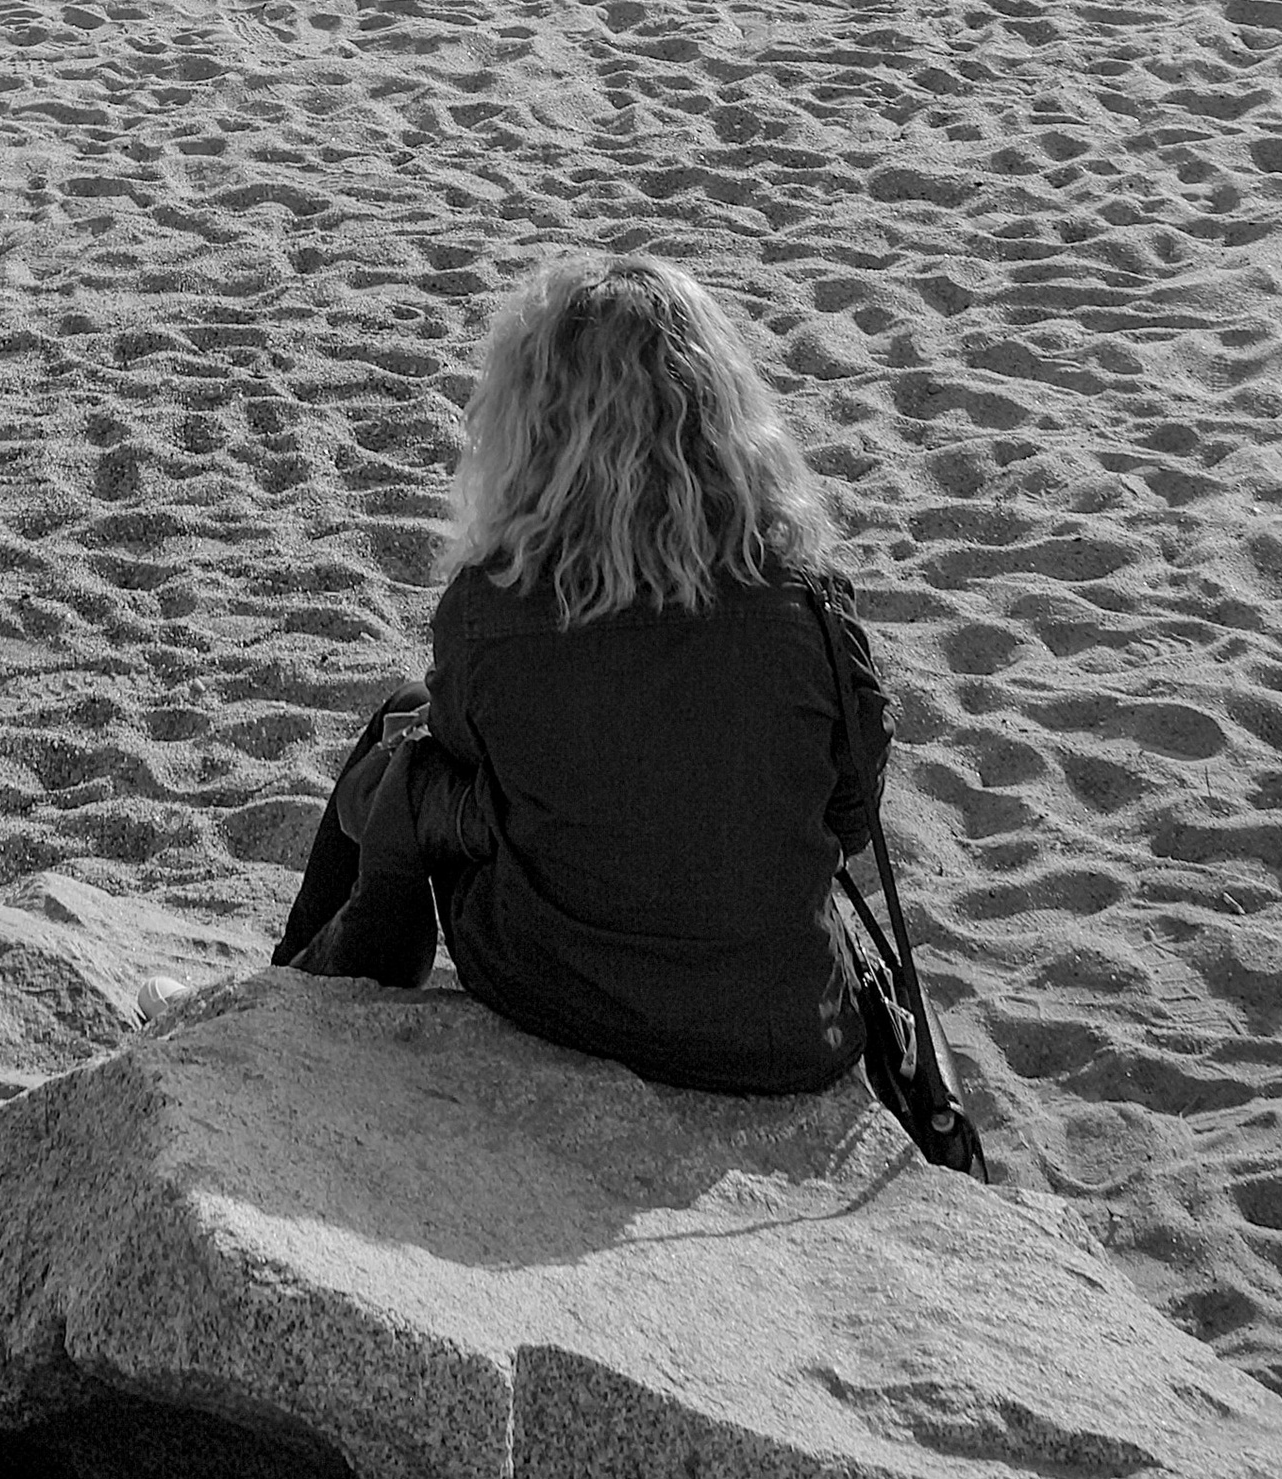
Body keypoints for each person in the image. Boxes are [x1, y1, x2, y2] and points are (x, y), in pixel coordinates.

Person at [273, 255, 894, 1098]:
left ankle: (285, 999)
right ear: (720, 418)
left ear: (538, 424)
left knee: (404, 738)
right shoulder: (809, 608)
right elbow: (851, 818)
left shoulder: (492, 610)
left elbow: (470, 758)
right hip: (784, 1030)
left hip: (559, 993)